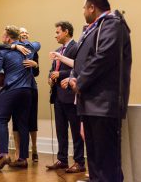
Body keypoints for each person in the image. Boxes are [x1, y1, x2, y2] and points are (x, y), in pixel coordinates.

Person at [66, 0, 132, 181]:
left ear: (92, 7)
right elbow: (82, 60)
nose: (83, 12)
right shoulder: (95, 28)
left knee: (106, 161)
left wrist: (80, 81)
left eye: (84, 8)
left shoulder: (113, 24)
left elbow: (102, 58)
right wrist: (73, 75)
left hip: (104, 104)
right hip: (90, 103)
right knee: (94, 159)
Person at [0, 25, 39, 171]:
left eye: (3, 35)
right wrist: (16, 46)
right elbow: (38, 44)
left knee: (1, 119)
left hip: (11, 89)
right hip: (27, 91)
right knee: (22, 123)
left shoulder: (3, 51)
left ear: (8, 38)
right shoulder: (29, 47)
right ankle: (22, 159)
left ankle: (4, 155)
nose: (1, 38)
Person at [46, 21, 85, 173]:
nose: (55, 35)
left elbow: (80, 69)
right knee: (61, 130)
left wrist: (60, 74)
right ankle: (62, 159)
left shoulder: (76, 48)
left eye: (57, 32)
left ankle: (79, 161)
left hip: (70, 95)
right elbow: (52, 70)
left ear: (66, 32)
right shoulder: (58, 50)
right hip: (57, 96)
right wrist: (50, 76)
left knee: (76, 131)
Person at [13, 27, 40, 162]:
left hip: (31, 88)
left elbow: (36, 73)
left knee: (32, 120)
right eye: (21, 32)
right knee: (16, 121)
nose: (24, 34)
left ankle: (34, 149)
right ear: (17, 36)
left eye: (26, 32)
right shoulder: (12, 50)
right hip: (16, 89)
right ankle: (18, 151)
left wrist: (35, 64)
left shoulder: (33, 49)